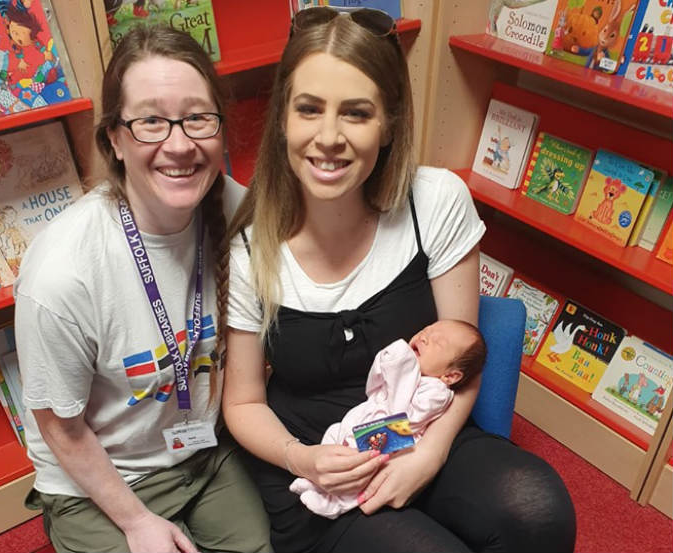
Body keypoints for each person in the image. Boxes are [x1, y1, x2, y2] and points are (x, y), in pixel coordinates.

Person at [222, 6, 576, 553]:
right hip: (322, 458)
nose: (329, 137)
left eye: (357, 113)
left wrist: (430, 454)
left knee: (538, 510)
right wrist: (304, 459)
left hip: (423, 426)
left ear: (388, 122)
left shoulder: (435, 200)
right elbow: (242, 403)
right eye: (309, 109)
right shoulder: (249, 247)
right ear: (283, 120)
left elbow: (465, 355)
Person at [14, 24, 271, 553]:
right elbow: (58, 428)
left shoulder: (241, 211)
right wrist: (135, 522)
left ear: (221, 127)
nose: (179, 145)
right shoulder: (62, 272)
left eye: (198, 117)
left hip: (201, 453)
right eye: (150, 121)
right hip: (99, 481)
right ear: (114, 137)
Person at [290, 319, 487, 519]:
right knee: (334, 436)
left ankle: (335, 504)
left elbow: (406, 418)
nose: (425, 337)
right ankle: (316, 484)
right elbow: (373, 386)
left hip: (395, 434)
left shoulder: (437, 392)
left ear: (450, 376)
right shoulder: (408, 370)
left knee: (363, 467)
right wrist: (387, 360)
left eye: (438, 342)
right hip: (364, 418)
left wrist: (404, 366)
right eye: (426, 330)